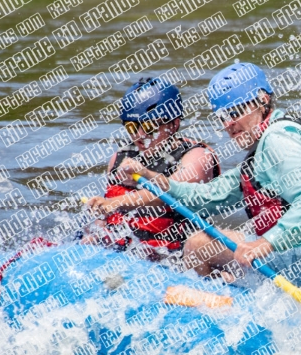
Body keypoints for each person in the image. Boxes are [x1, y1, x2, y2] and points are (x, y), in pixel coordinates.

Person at [113, 63, 301, 293]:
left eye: (234, 112)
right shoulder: (264, 147)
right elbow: (208, 197)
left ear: (262, 99)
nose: (227, 124)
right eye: (222, 116)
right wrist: (151, 177)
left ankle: (215, 317)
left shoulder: (279, 139)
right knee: (225, 249)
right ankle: (229, 293)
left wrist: (264, 244)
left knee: (198, 245)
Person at [84, 77, 218, 257]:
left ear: (174, 124)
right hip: (125, 253)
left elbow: (172, 194)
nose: (139, 135)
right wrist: (95, 229)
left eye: (149, 126)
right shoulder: (119, 158)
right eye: (132, 127)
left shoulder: (197, 157)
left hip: (175, 258)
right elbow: (105, 219)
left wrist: (114, 202)